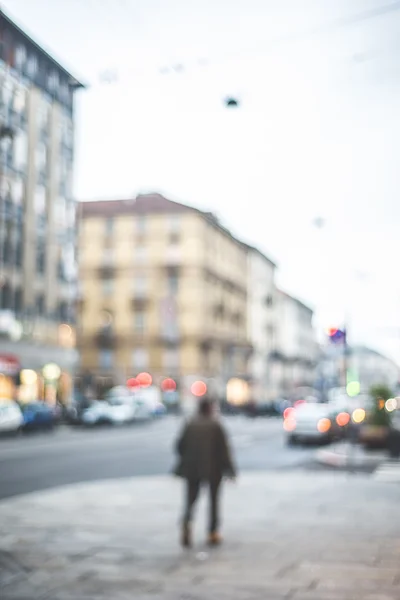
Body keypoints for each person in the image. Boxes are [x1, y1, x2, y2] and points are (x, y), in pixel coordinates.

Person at [174, 397, 236, 548]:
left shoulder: (190, 424)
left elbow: (179, 446)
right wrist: (230, 469)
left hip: (192, 468)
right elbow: (224, 450)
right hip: (213, 469)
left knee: (190, 500)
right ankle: (212, 532)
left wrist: (187, 459)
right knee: (213, 501)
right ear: (210, 409)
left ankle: (186, 522)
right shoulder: (215, 425)